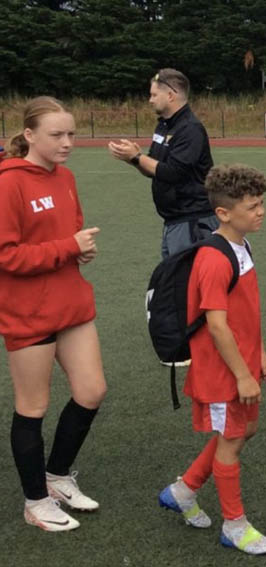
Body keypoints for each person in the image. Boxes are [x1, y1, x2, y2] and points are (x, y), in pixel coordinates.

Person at [157, 164, 266, 555]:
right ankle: (235, 526)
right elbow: (217, 326)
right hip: (222, 372)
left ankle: (183, 490)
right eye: (252, 206)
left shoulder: (241, 244)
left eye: (261, 203)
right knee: (231, 441)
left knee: (245, 431)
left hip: (240, 364)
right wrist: (242, 375)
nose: (260, 211)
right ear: (224, 213)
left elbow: (243, 312)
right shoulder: (214, 257)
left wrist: (259, 351)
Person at [0, 97, 107, 531]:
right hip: (29, 311)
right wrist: (68, 248)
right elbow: (6, 255)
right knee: (33, 406)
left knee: (92, 391)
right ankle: (35, 502)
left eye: (72, 134)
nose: (67, 143)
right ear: (29, 136)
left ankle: (58, 477)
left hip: (71, 303)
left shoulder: (66, 178)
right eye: (56, 135)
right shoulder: (8, 184)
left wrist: (78, 252)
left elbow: (69, 233)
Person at [108, 68, 217, 259]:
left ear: (170, 95)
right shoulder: (164, 125)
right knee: (173, 283)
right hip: (174, 222)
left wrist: (137, 157)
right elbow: (154, 170)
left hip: (192, 221)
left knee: (187, 284)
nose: (150, 100)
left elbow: (173, 173)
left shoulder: (190, 129)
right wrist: (133, 159)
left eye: (153, 95)